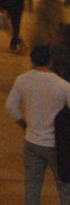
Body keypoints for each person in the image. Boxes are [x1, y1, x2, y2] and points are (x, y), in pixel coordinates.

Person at [5, 44, 70, 205]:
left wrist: (24, 124)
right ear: (51, 61)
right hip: (56, 146)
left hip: (32, 142)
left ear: (32, 60)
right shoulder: (63, 86)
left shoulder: (23, 80)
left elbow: (10, 106)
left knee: (32, 187)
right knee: (64, 187)